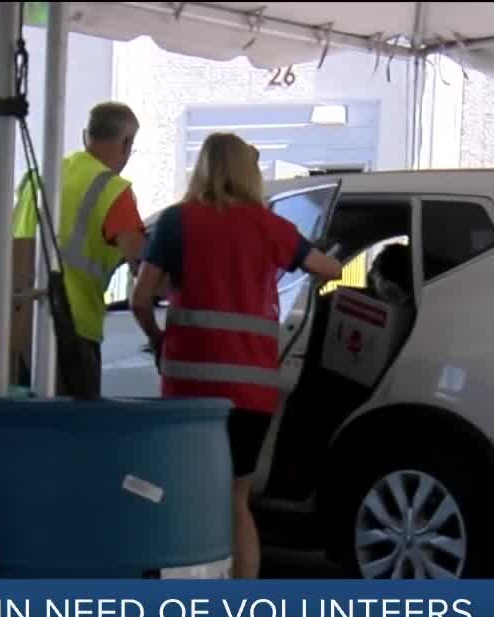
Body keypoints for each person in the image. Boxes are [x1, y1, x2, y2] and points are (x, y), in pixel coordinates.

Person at [129, 133, 343, 579]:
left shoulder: (177, 221)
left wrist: (159, 341)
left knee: (178, 488)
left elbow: (140, 299)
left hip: (189, 389)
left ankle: (172, 594)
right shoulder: (269, 226)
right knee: (236, 500)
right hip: (251, 391)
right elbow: (331, 269)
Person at [12, 101, 147, 399]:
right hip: (73, 327)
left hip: (19, 327)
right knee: (72, 431)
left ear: (87, 135)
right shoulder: (113, 190)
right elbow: (142, 262)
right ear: (126, 143)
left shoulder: (36, 177)